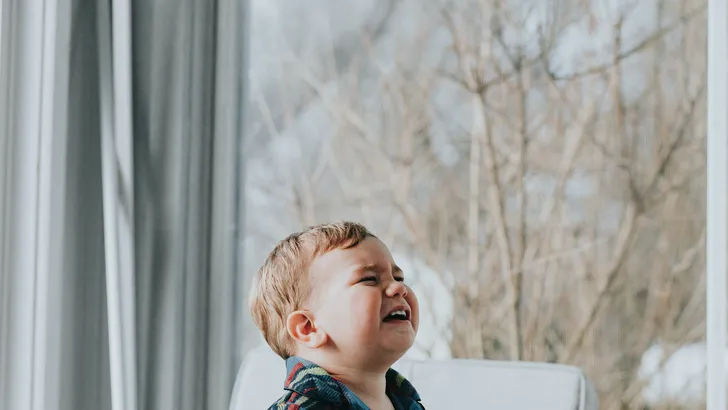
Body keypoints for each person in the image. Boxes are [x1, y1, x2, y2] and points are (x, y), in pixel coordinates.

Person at [249, 221, 425, 409]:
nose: (399, 287)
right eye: (369, 279)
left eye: (399, 278)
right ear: (308, 328)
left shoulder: (407, 402)